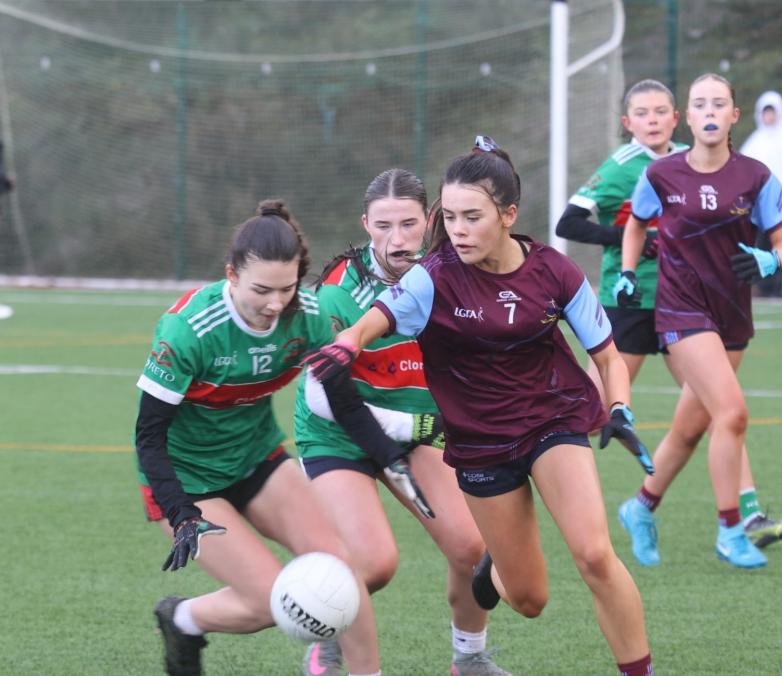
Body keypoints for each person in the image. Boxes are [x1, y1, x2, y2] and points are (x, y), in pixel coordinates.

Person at [306, 137, 656, 676]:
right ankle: (494, 571)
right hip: (479, 442)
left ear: (508, 214)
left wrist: (619, 409)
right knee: (529, 598)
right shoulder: (434, 275)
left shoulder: (556, 272)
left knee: (593, 554)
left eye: (471, 217)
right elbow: (371, 320)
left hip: (552, 420)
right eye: (449, 218)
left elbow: (608, 358)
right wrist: (345, 343)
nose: (458, 230)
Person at [134, 200, 385, 676]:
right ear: (231, 274)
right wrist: (179, 510)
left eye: (287, 288)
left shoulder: (308, 315)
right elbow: (148, 438)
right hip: (186, 484)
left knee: (340, 571)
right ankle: (182, 618)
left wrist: (389, 455)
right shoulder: (188, 330)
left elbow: (344, 399)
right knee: (275, 599)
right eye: (261, 290)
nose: (275, 303)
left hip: (256, 461)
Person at [557, 79, 782, 565]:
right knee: (601, 406)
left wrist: (772, 261)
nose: (653, 119)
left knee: (698, 421)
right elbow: (589, 224)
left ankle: (642, 505)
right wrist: (628, 269)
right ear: (688, 115)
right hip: (658, 306)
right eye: (642, 112)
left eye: (660, 110)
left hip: (725, 310)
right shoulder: (643, 171)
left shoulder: (749, 174)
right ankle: (733, 525)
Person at [294, 169, 510, 676]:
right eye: (383, 226)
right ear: (365, 224)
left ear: (429, 219)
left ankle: (470, 659)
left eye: (409, 224)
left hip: (414, 429)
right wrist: (412, 429)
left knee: (471, 547)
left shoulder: (455, 276)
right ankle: (325, 631)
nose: (397, 239)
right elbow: (323, 398)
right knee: (375, 564)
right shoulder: (336, 292)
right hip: (339, 434)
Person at [740, 90, 782, 297]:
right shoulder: (755, 141)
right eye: (765, 112)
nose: (769, 116)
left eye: (772, 111)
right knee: (764, 247)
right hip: (761, 209)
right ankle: (767, 287)